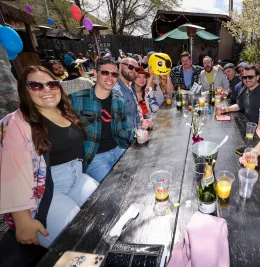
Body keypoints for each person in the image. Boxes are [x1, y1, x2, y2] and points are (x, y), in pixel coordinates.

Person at [0, 66, 99, 249]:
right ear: (25, 91)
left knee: (103, 214)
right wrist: (22, 220)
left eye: (52, 84)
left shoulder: (65, 111)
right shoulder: (16, 123)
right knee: (78, 237)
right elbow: (10, 173)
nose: (46, 90)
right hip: (47, 192)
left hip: (78, 179)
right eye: (36, 86)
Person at [69, 58, 137, 183]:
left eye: (114, 74)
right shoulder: (76, 99)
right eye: (105, 73)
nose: (110, 78)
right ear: (95, 73)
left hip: (118, 149)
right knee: (113, 187)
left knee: (137, 177)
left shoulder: (118, 100)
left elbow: (121, 130)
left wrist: (136, 134)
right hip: (95, 157)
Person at [113, 57, 153, 130]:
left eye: (137, 69)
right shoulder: (116, 91)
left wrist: (142, 123)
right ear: (120, 67)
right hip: (129, 139)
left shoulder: (131, 87)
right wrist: (139, 129)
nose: (134, 71)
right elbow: (119, 126)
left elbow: (132, 115)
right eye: (130, 67)